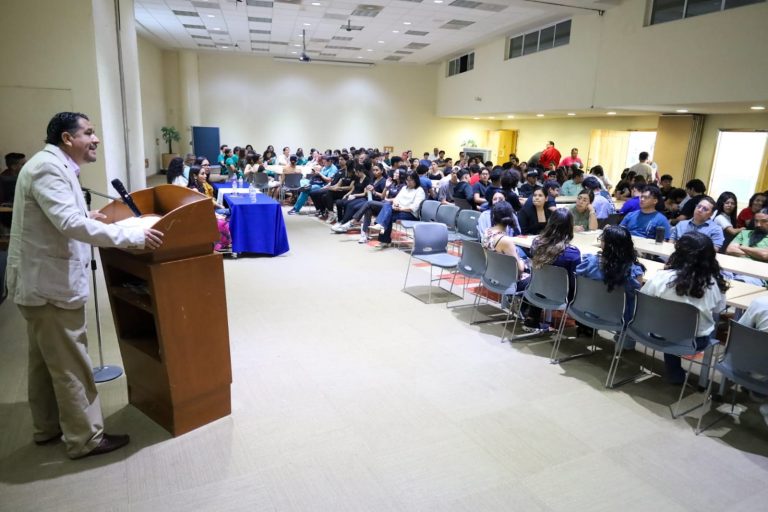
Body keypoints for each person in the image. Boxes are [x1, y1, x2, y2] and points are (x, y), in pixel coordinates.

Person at [6, 112, 164, 459]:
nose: (96, 139)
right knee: (71, 364)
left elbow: (59, 217)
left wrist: (85, 216)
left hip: (38, 285)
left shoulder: (51, 165)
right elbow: (68, 224)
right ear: (67, 138)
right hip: (49, 287)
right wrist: (132, 237)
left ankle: (47, 426)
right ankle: (85, 438)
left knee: (43, 361)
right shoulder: (48, 168)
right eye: (89, 133)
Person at [640, 232, 727, 384]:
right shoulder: (715, 284)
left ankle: (675, 373)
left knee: (671, 325)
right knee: (683, 328)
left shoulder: (661, 277)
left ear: (678, 252)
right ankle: (680, 376)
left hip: (657, 333)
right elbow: (718, 310)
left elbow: (643, 299)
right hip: (695, 341)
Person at [576, 225, 644, 339]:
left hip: (588, 309)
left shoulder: (590, 263)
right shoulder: (633, 271)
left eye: (602, 239)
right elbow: (636, 295)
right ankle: (625, 341)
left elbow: (578, 280)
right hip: (619, 317)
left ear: (607, 244)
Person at [522, 209, 581, 332]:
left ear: (550, 222)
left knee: (542, 277)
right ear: (570, 227)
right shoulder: (572, 253)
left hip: (537, 288)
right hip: (560, 295)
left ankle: (532, 318)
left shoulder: (536, 243)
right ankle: (585, 328)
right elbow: (574, 283)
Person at [374, 171, 425, 247]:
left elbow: (413, 208)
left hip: (410, 214)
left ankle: (383, 234)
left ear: (415, 180)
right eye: (407, 180)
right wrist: (395, 204)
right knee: (387, 205)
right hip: (399, 210)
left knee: (388, 216)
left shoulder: (419, 190)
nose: (408, 182)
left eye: (410, 180)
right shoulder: (404, 188)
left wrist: (400, 209)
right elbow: (396, 199)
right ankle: (381, 227)